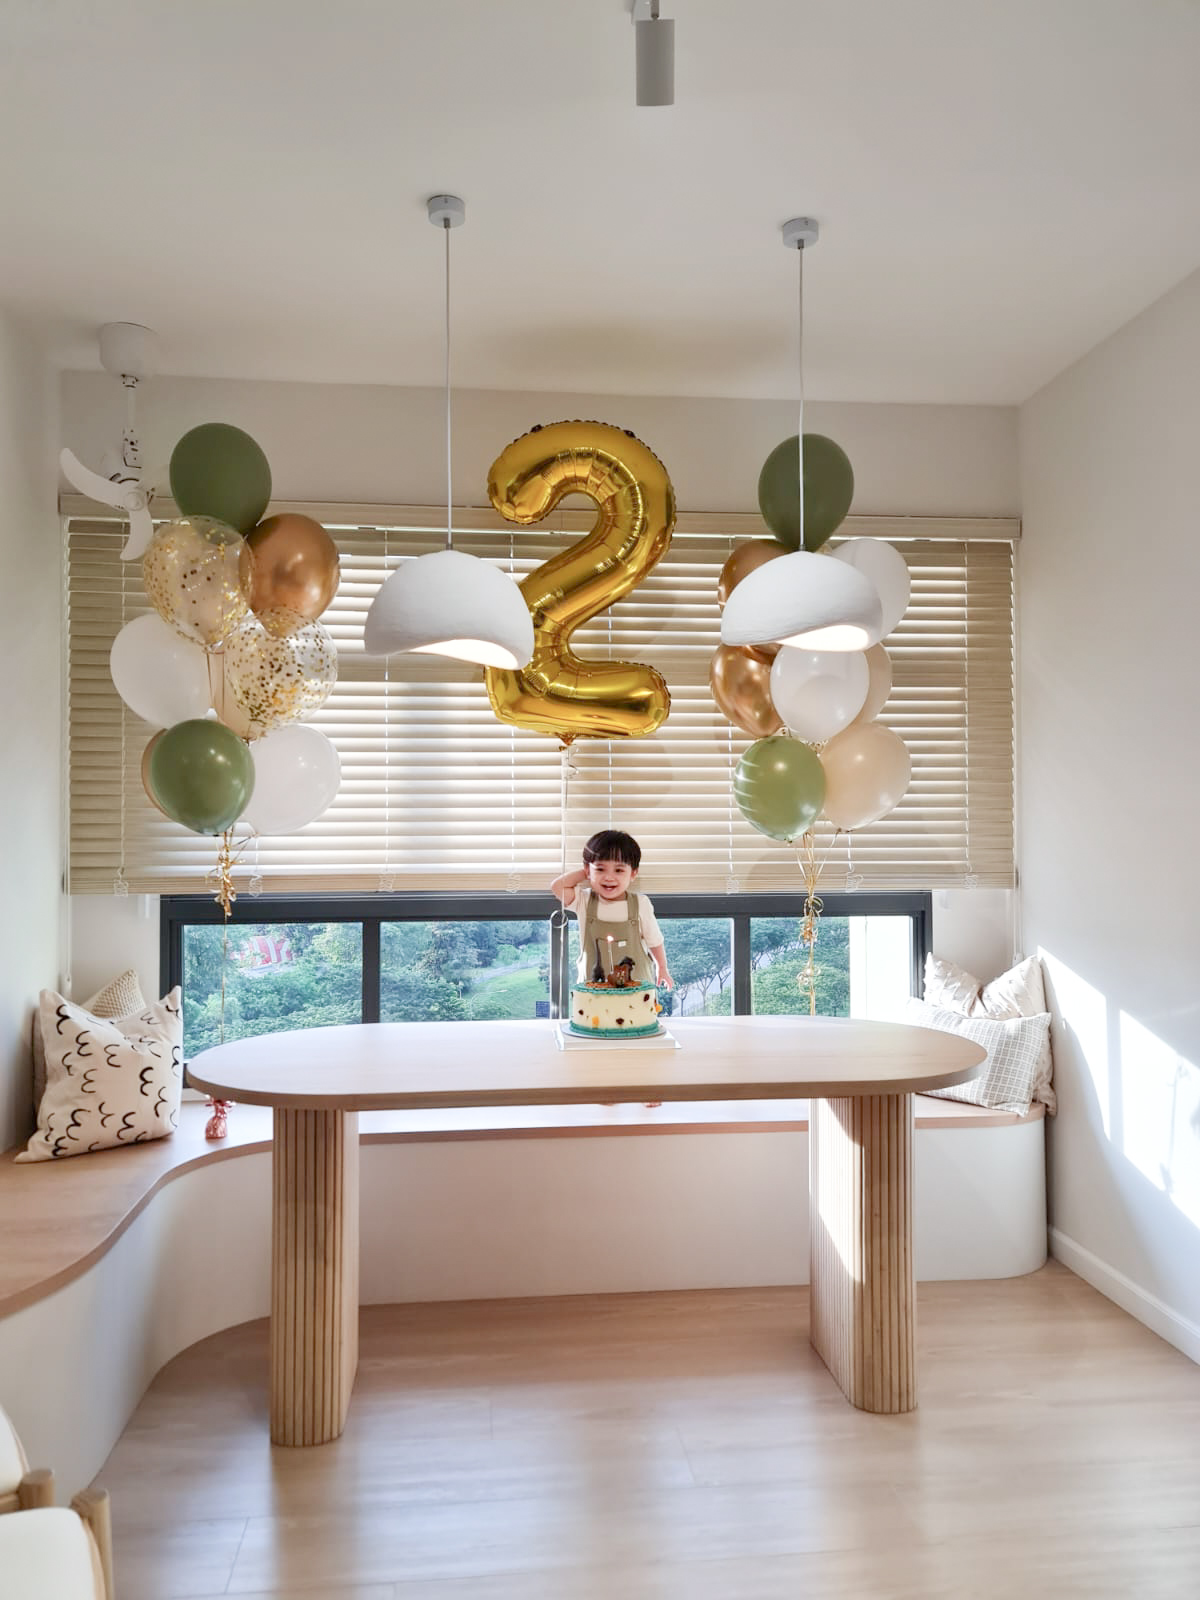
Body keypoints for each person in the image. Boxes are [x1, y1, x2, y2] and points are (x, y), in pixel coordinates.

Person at [551, 829, 673, 993]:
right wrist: (588, 871)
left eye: (619, 870)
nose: (609, 877)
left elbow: (654, 941)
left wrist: (662, 967)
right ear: (588, 870)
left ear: (633, 873)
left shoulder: (640, 903)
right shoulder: (584, 901)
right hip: (593, 995)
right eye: (601, 869)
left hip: (636, 995)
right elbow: (558, 887)